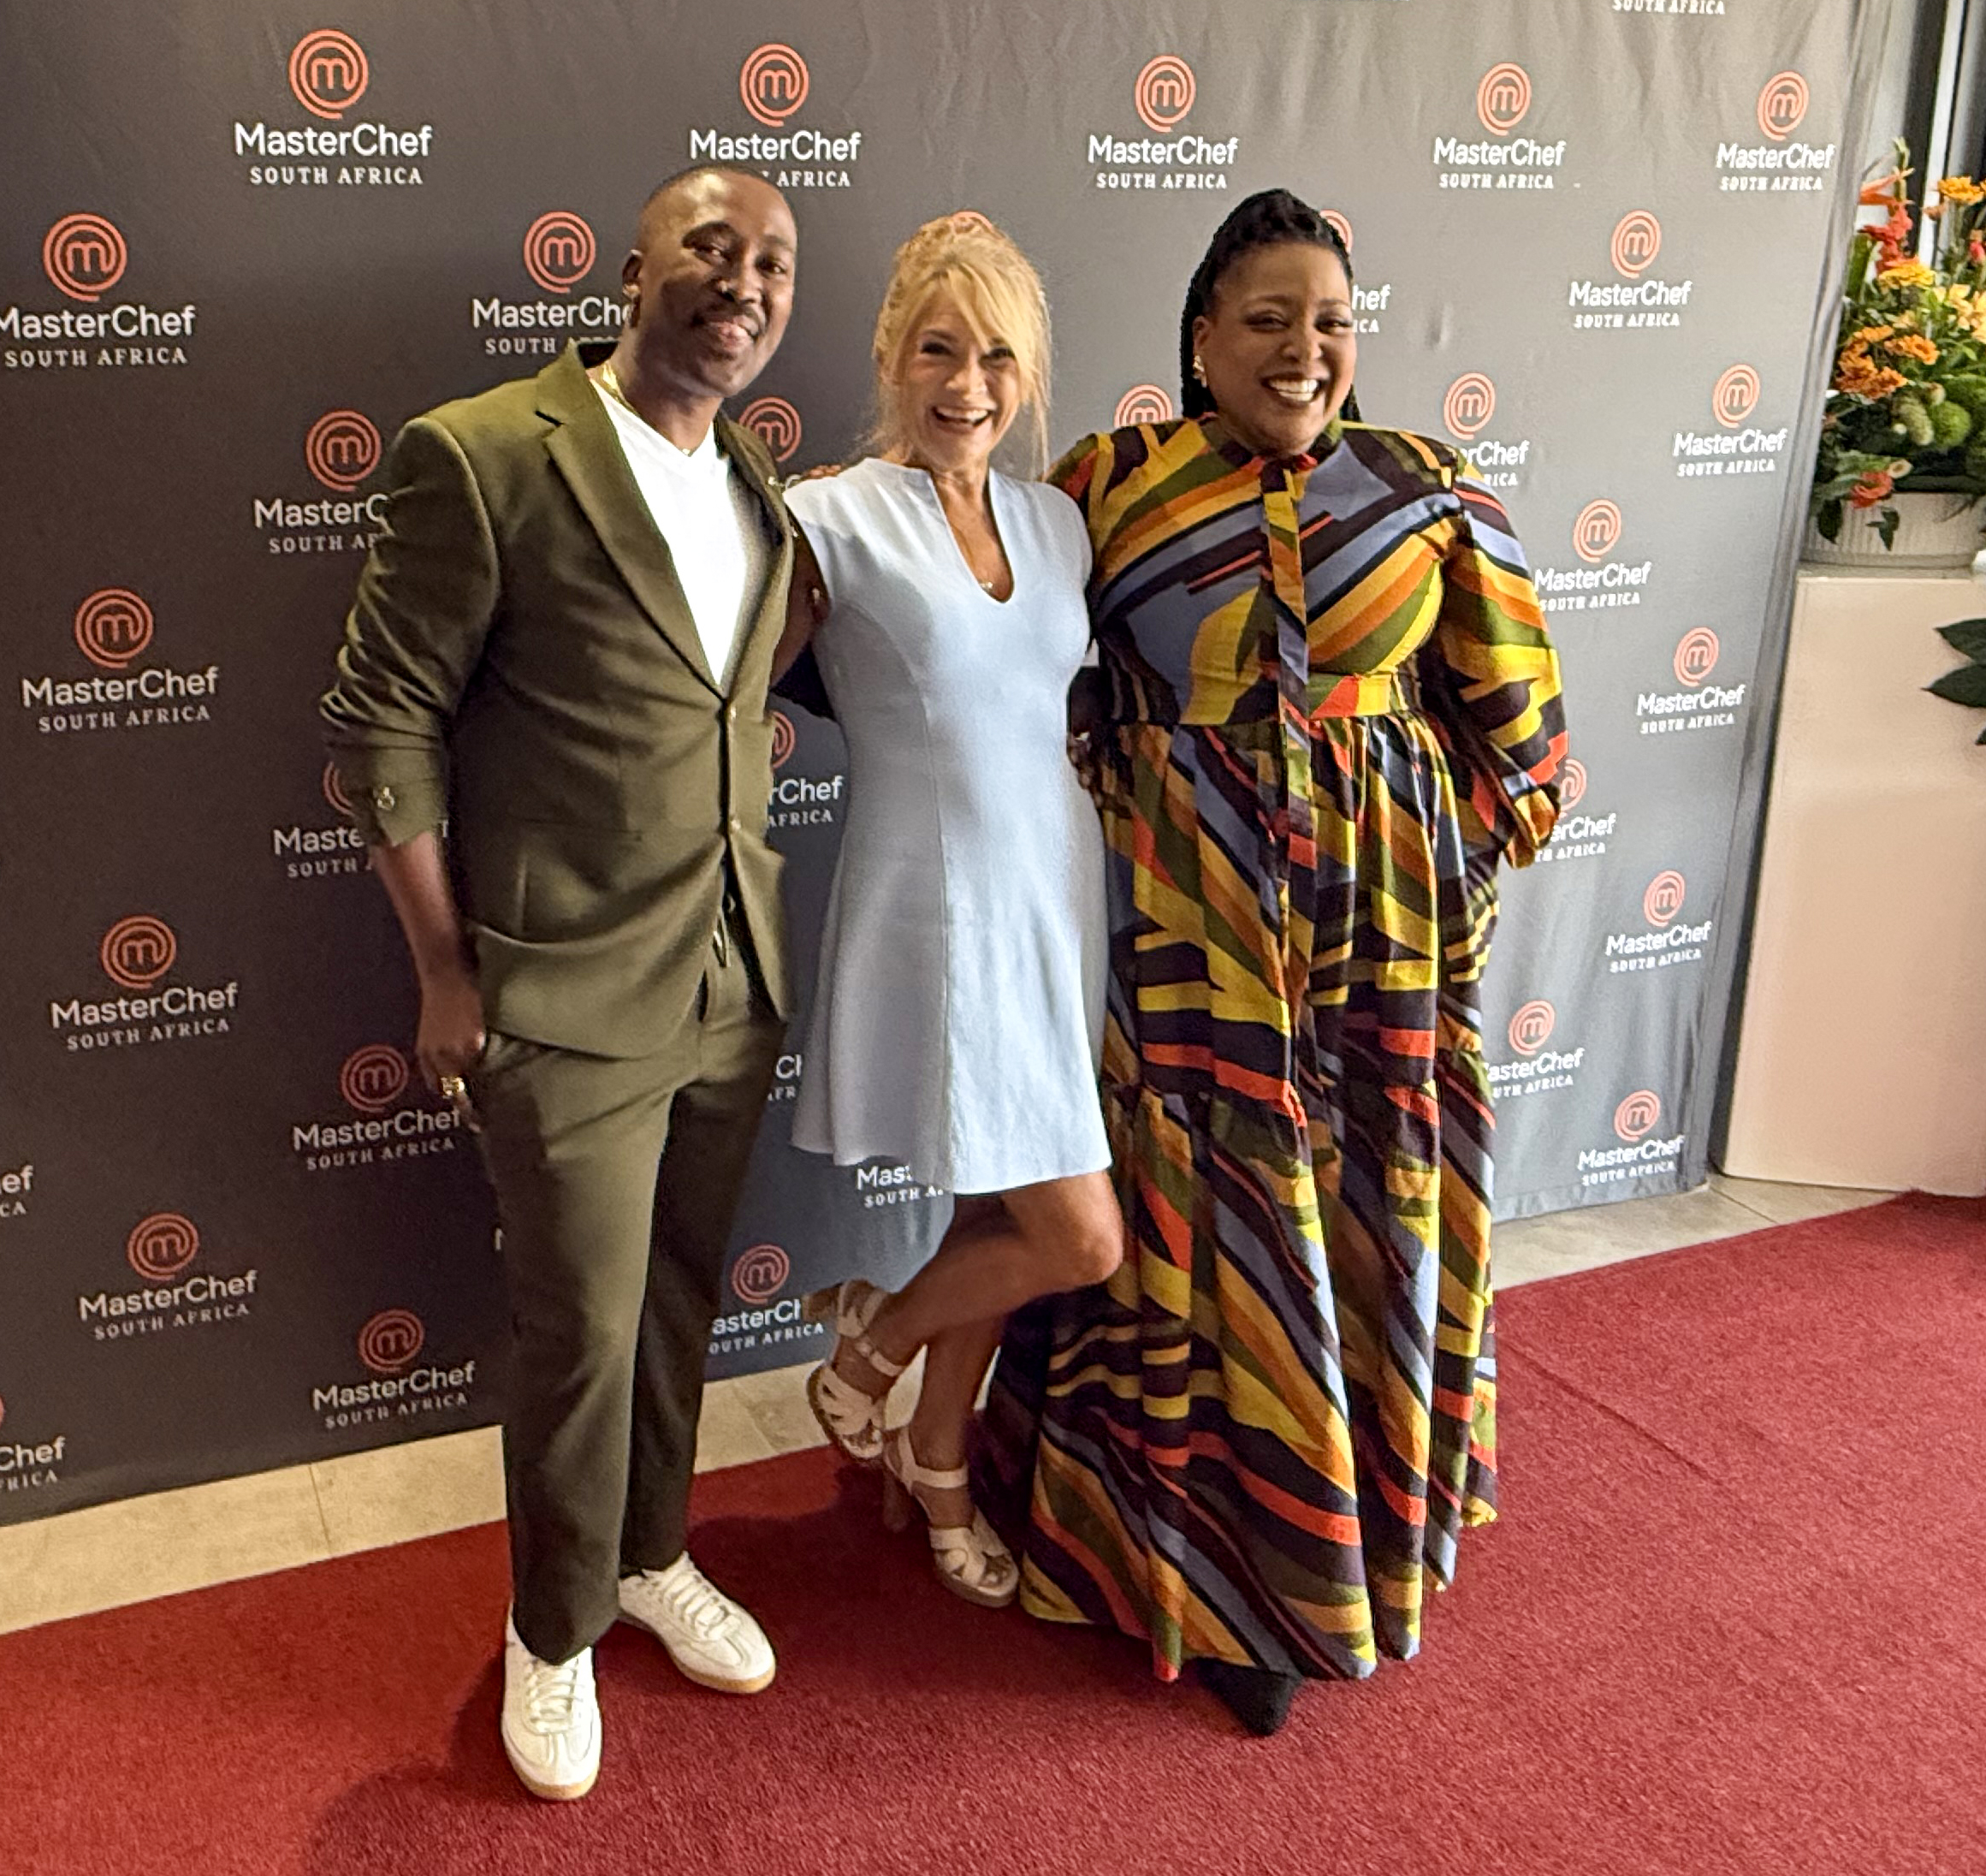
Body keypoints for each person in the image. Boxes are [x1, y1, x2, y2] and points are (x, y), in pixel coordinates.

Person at [979, 189, 1568, 1735]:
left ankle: (1348, 1529)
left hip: (1378, 946)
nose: (1302, 350)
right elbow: (1019, 662)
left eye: (1329, 323)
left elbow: (1520, 735)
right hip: (1191, 930)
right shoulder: (1111, 485)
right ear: (1198, 335)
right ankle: (1215, 1576)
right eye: (1266, 320)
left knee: (1355, 1205)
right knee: (1201, 1218)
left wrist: (1434, 893)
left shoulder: (1425, 487)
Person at [320, 163, 821, 1802]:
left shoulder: (761, 487)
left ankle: (650, 1554)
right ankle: (551, 1632)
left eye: (773, 265)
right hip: (556, 1001)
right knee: (580, 1337)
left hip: (731, 983)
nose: (741, 282)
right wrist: (446, 972)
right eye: (711, 247)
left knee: (678, 1307)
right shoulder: (481, 456)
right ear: (628, 269)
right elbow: (379, 723)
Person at [785, 212, 1123, 1606]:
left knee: (998, 1199)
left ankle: (936, 1456)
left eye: (994, 356)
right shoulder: (827, 515)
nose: (965, 384)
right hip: (935, 910)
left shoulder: (1057, 522)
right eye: (937, 349)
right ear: (890, 356)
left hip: (1056, 890)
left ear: (1027, 373)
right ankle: (865, 1348)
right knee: (1076, 1233)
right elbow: (720, 689)